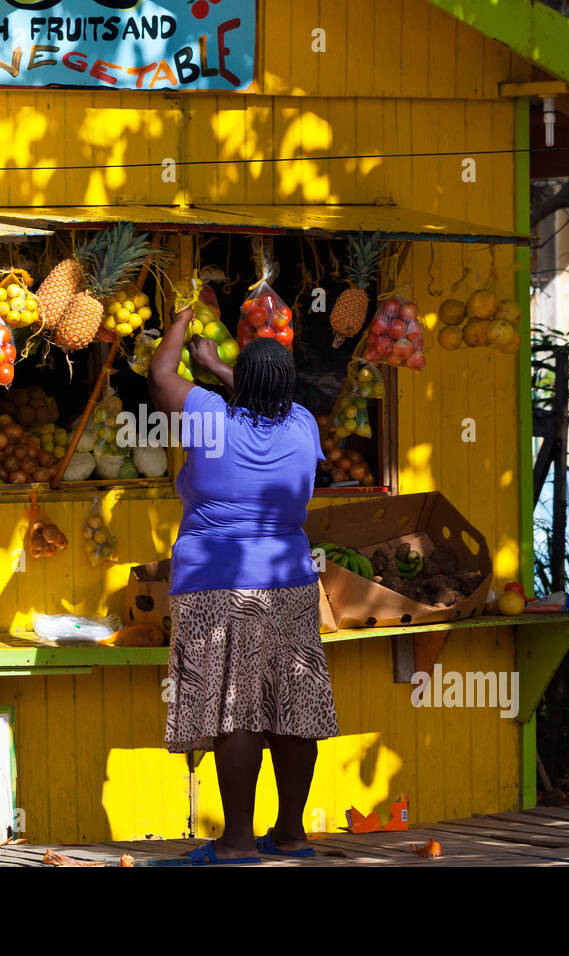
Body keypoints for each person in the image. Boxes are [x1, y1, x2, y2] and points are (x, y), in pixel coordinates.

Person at [147, 305, 338, 865]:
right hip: (291, 582)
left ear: (239, 385)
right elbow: (269, 397)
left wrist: (183, 329)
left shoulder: (209, 416)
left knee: (237, 709)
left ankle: (234, 842)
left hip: (217, 582)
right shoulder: (304, 424)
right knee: (293, 703)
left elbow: (160, 377)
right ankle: (292, 834)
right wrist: (237, 374)